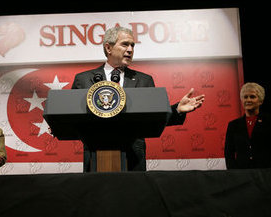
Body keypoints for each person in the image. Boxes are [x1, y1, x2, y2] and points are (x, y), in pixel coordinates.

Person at [72, 26, 205, 172]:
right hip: (95, 155)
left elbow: (156, 117)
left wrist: (177, 109)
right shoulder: (84, 80)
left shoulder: (144, 80)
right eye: (125, 44)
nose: (130, 49)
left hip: (133, 158)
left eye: (132, 45)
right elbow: (72, 116)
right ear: (108, 48)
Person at [224, 82, 271, 169]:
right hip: (241, 175)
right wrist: (234, 172)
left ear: (260, 101)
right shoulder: (233, 125)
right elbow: (229, 152)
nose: (248, 100)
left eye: (252, 97)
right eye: (245, 97)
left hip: (266, 174)